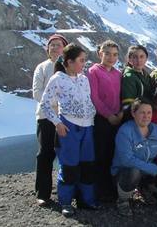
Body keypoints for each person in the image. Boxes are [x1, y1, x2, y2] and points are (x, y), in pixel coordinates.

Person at [41, 44, 98, 217]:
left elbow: (87, 101)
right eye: (81, 60)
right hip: (69, 126)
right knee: (70, 165)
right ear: (69, 62)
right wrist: (57, 123)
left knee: (87, 164)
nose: (84, 64)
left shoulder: (83, 78)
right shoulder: (58, 78)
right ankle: (65, 202)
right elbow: (45, 103)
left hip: (87, 126)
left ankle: (85, 200)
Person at [111, 98, 157, 216]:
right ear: (133, 113)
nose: (146, 116)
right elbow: (127, 160)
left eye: (149, 112)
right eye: (142, 112)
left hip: (146, 173)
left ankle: (145, 188)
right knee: (134, 172)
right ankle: (122, 200)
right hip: (124, 173)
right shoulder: (125, 131)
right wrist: (156, 170)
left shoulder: (156, 129)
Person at [32, 34, 68, 206]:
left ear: (64, 48)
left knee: (67, 155)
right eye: (52, 45)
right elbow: (37, 92)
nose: (55, 48)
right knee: (45, 154)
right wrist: (55, 103)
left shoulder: (69, 67)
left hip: (66, 118)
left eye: (58, 45)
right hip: (46, 117)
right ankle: (43, 193)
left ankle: (67, 192)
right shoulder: (42, 67)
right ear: (47, 49)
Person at [87, 40, 123, 202]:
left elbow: (121, 96)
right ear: (99, 53)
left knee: (113, 154)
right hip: (101, 120)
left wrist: (121, 114)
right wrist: (109, 116)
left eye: (115, 54)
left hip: (117, 119)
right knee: (100, 155)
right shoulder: (93, 71)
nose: (111, 57)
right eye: (107, 53)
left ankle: (111, 189)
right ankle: (99, 191)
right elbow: (94, 97)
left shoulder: (118, 73)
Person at [121, 45, 154, 113]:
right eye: (135, 57)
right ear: (130, 60)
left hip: (147, 113)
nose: (139, 60)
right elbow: (128, 103)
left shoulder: (145, 75)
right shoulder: (129, 77)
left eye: (142, 56)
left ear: (146, 58)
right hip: (136, 116)